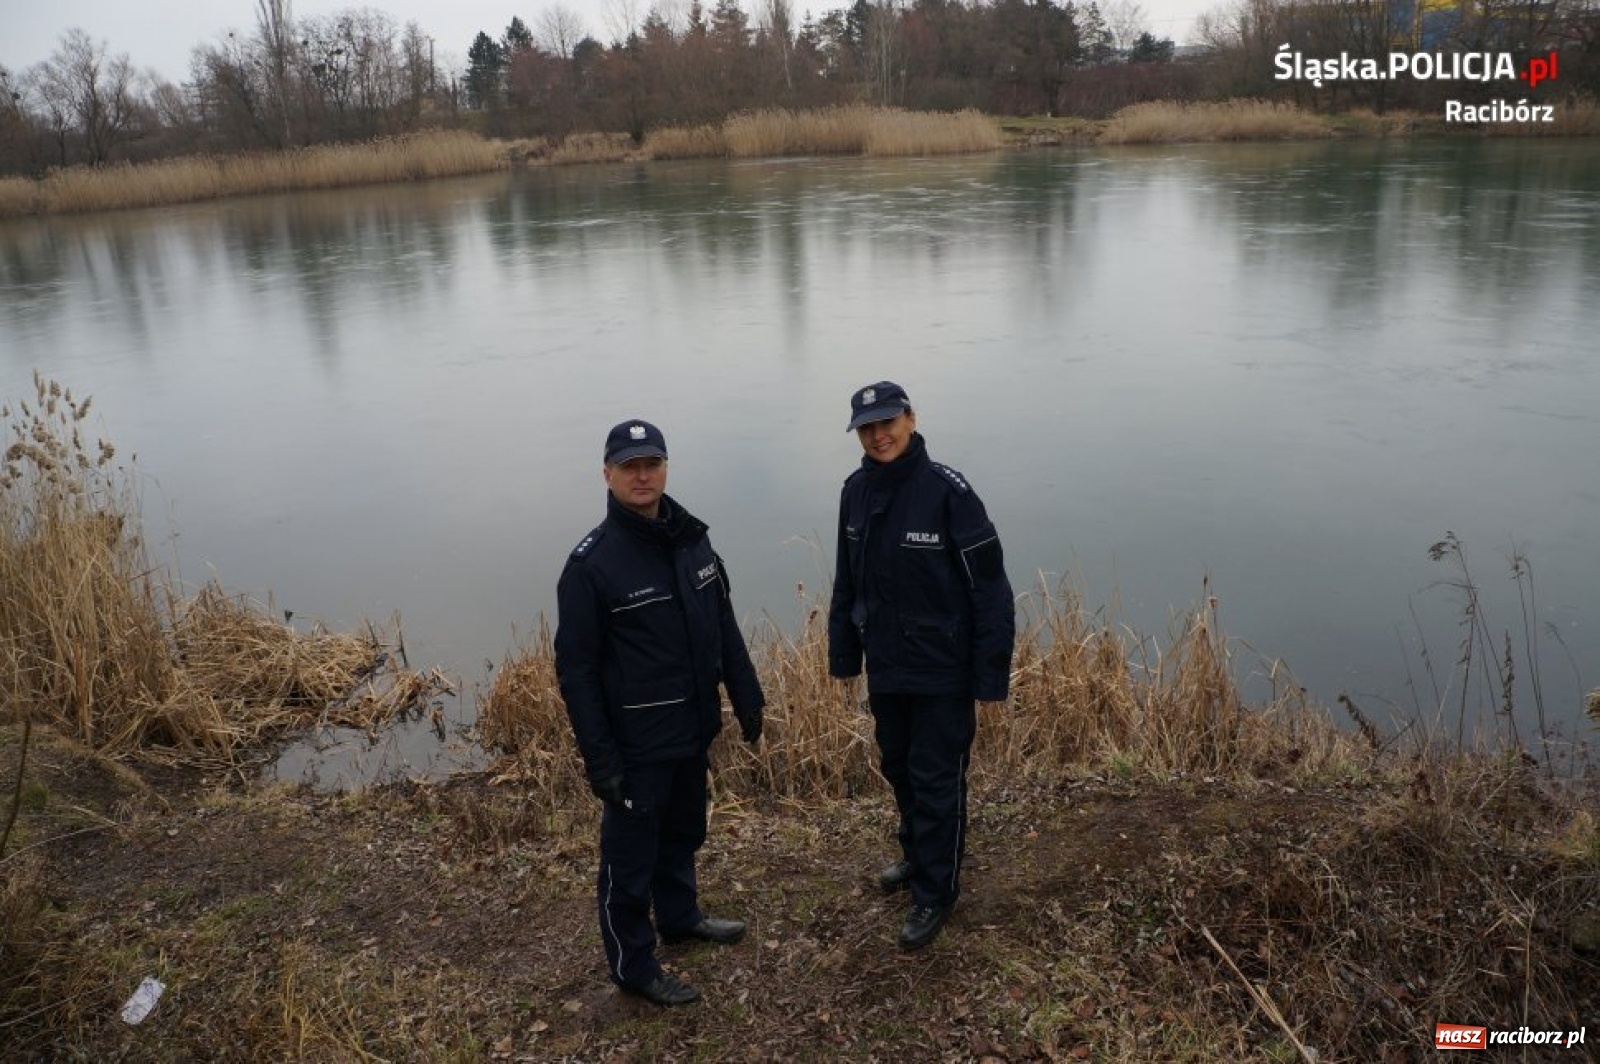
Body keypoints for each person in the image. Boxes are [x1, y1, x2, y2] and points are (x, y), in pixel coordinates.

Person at [555, 419, 765, 1007]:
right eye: (629, 466)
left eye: (652, 463)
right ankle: (633, 966)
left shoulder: (691, 539)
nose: (642, 475)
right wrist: (601, 761)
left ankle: (679, 917)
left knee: (683, 833)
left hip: (690, 731)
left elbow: (722, 624)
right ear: (608, 475)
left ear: (666, 467)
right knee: (629, 861)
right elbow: (576, 672)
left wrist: (747, 695)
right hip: (636, 745)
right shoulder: (591, 567)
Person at [827, 381, 1016, 951]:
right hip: (888, 666)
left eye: (888, 422)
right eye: (867, 427)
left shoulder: (948, 492)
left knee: (937, 780)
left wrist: (989, 676)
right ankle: (916, 856)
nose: (879, 435)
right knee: (900, 768)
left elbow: (992, 590)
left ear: (910, 419)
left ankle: (938, 889)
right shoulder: (854, 492)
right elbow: (847, 580)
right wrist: (844, 656)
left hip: (941, 670)